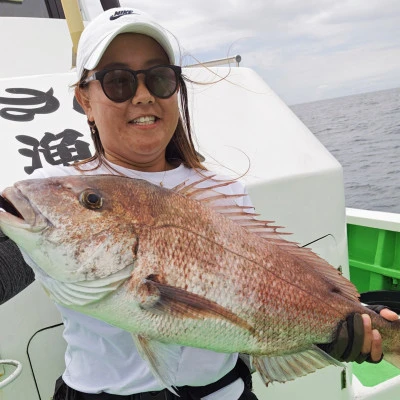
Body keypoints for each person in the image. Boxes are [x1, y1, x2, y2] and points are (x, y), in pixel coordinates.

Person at [3, 7, 398, 400]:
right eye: (118, 81)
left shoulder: (224, 192)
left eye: (160, 79)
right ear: (84, 99)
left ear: (176, 90)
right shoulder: (44, 192)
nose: (142, 96)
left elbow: (248, 321)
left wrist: (331, 335)